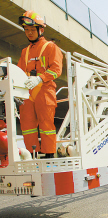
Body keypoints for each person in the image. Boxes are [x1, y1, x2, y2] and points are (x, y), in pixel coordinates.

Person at [17, 10, 63, 158]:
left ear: (40, 30)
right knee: (27, 125)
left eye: (32, 29)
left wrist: (40, 78)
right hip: (27, 91)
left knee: (46, 125)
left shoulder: (50, 47)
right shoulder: (25, 51)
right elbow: (19, 71)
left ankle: (49, 155)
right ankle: (31, 154)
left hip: (45, 89)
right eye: (26, 30)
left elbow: (56, 69)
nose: (29, 33)